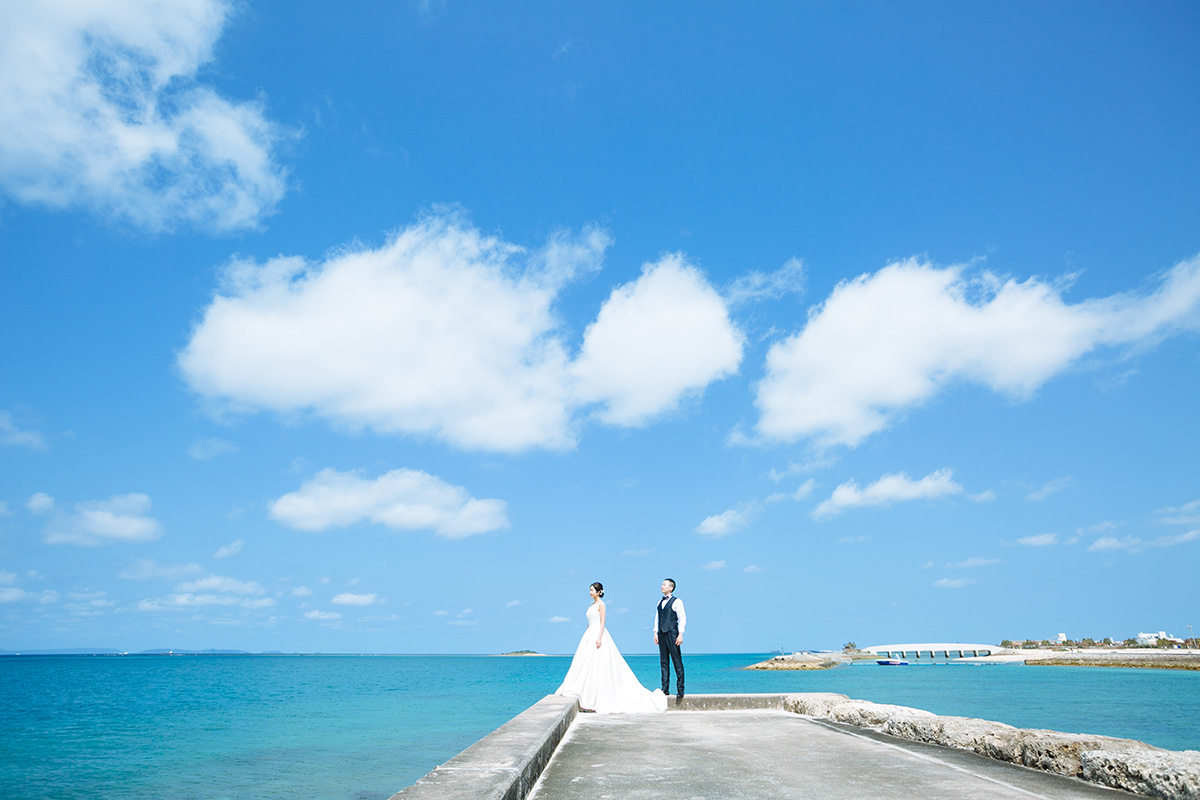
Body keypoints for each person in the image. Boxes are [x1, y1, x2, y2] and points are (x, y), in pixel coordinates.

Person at [554, 582, 667, 714]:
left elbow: (603, 622)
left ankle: (595, 696)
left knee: (598, 663)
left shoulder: (602, 605)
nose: (590, 592)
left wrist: (599, 637)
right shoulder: (591, 605)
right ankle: (585, 692)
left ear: (598, 592)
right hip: (589, 634)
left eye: (592, 590)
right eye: (589, 590)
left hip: (598, 633)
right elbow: (590, 622)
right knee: (584, 662)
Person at [653, 577, 685, 705]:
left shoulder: (677, 601)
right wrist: (655, 632)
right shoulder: (659, 602)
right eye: (661, 584)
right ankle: (664, 689)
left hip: (672, 633)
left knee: (676, 660)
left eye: (664, 584)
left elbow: (682, 618)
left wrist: (680, 634)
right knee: (664, 662)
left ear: (670, 588)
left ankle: (680, 689)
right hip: (661, 634)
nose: (661, 586)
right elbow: (657, 618)